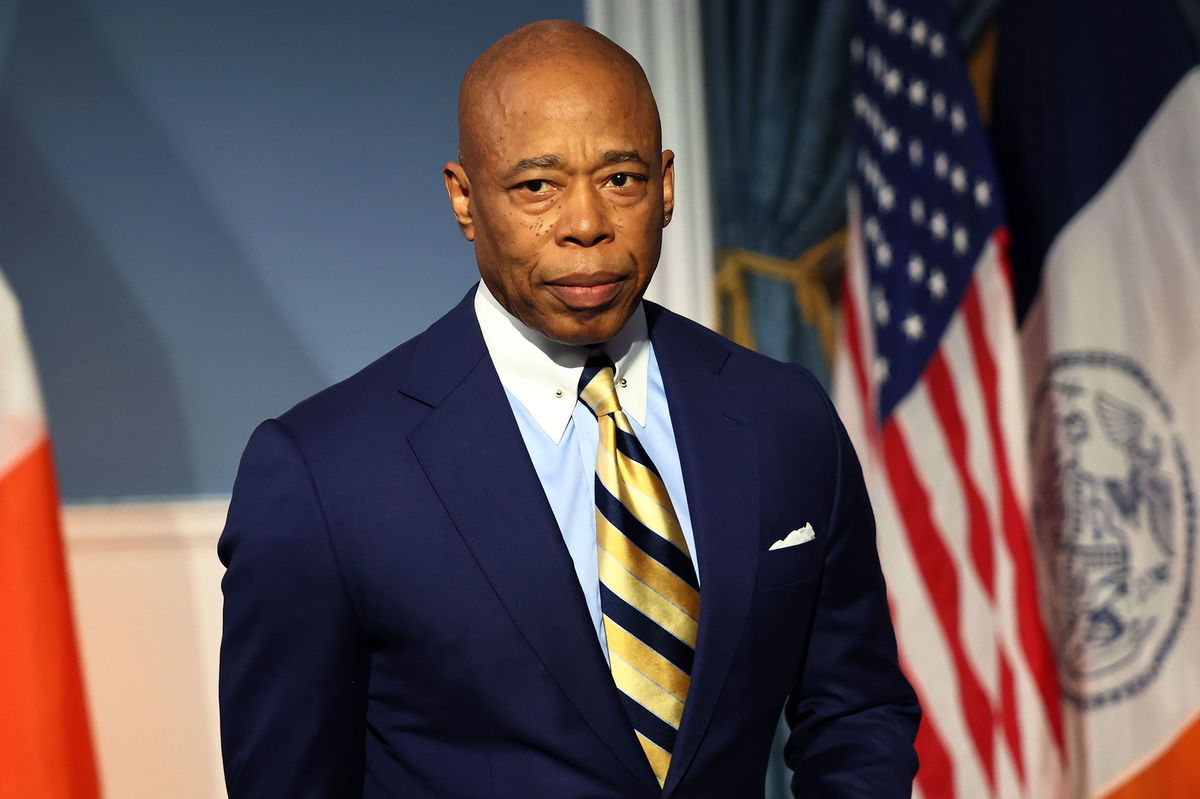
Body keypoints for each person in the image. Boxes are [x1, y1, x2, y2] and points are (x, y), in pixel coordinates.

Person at [218, 19, 919, 799]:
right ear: (464, 199)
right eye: (537, 186)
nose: (586, 223)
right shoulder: (324, 473)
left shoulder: (784, 419)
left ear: (667, 185)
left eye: (621, 179)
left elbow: (857, 711)